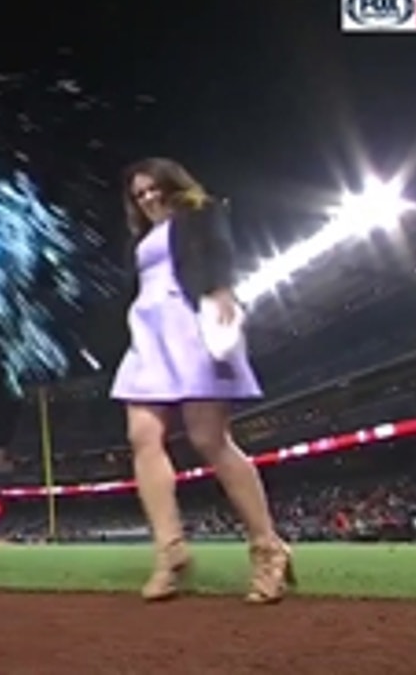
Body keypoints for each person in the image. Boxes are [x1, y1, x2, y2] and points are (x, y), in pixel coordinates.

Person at [110, 157, 294, 604]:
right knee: (142, 435)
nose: (149, 197)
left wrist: (221, 290)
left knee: (209, 439)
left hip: (189, 324)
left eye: (155, 188)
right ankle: (169, 551)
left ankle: (268, 548)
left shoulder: (201, 213)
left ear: (173, 185)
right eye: (139, 193)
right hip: (148, 331)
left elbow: (218, 250)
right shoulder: (142, 237)